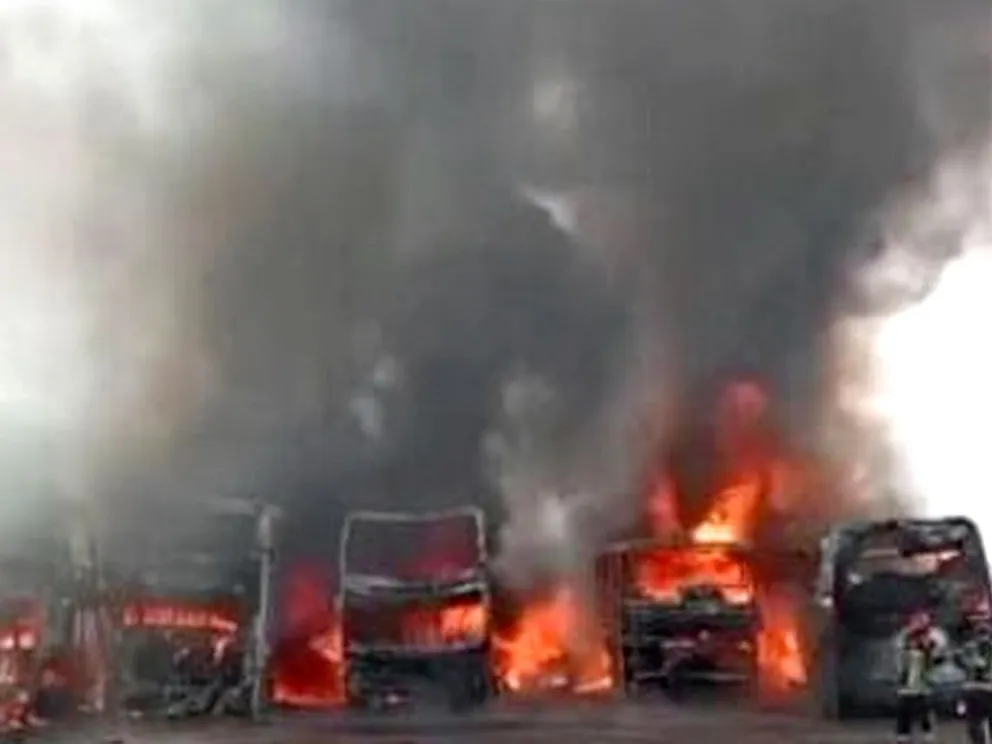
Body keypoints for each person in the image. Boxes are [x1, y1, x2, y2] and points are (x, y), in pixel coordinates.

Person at [894, 610, 946, 744]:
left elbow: (938, 652)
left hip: (922, 689)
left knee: (924, 716)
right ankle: (904, 737)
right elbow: (900, 646)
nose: (918, 640)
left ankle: (925, 736)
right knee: (904, 717)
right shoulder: (905, 651)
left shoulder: (928, 652)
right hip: (907, 690)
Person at [957, 612, 992, 743]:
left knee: (974, 723)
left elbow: (959, 661)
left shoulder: (967, 647)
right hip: (987, 689)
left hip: (972, 690)